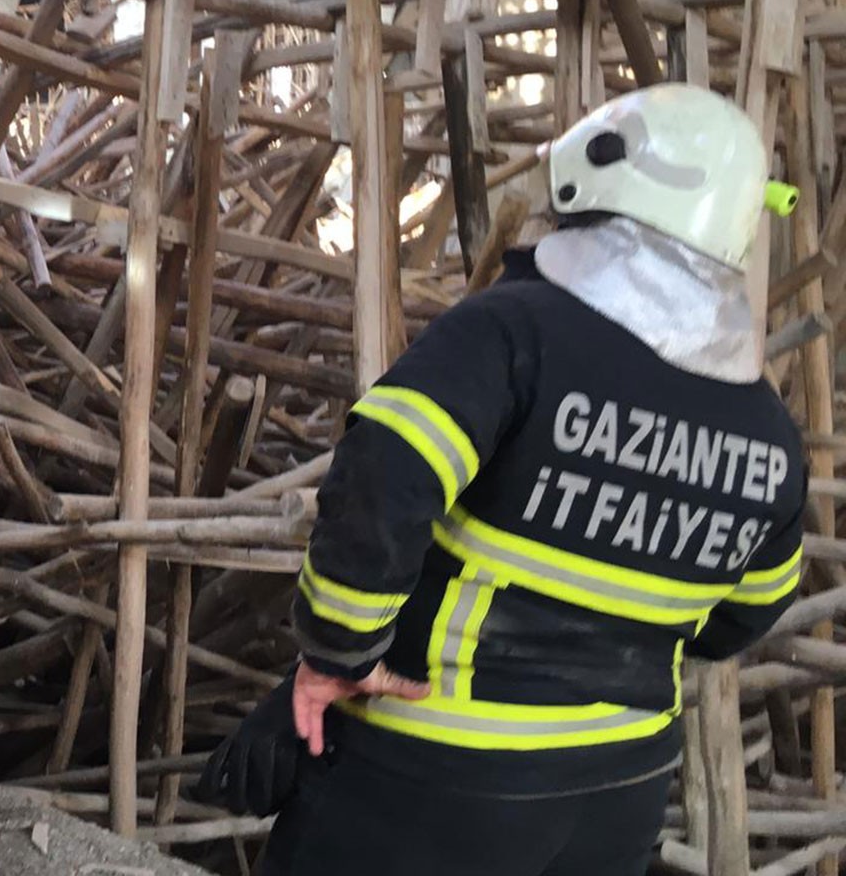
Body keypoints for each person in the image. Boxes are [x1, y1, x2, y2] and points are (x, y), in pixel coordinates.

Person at [195, 84, 808, 876]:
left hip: (441, 773)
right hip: (621, 787)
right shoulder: (767, 431)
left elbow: (388, 471)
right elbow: (743, 618)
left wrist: (336, 653)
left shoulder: (514, 331)